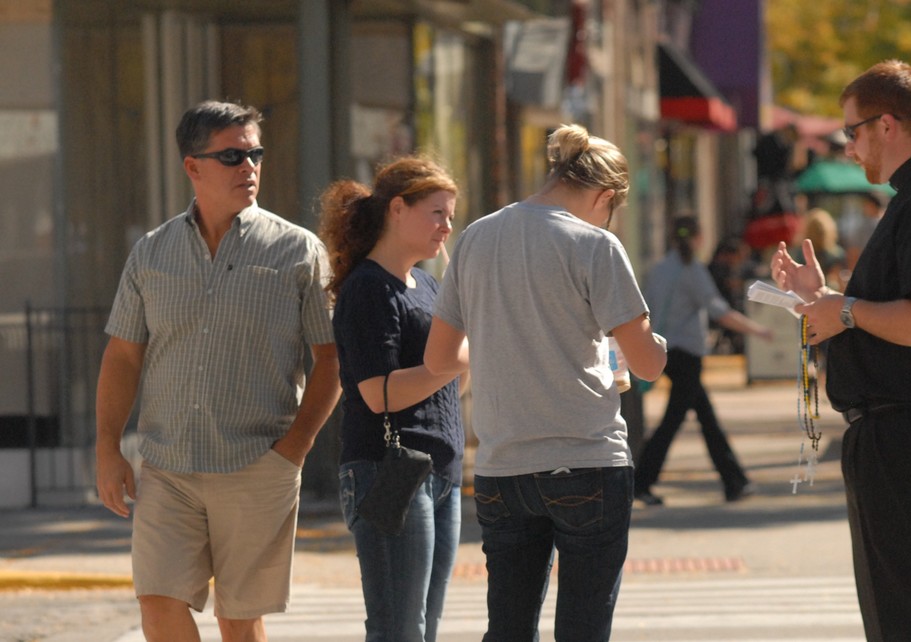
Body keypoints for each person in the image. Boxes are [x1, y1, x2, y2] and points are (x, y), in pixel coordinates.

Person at [94, 100, 342, 642]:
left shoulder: (298, 250)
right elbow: (122, 356)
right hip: (167, 465)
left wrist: (294, 448)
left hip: (257, 463)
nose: (248, 166)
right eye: (232, 155)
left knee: (238, 618)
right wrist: (108, 447)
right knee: (157, 600)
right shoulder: (151, 253)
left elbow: (331, 358)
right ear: (193, 167)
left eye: (254, 153)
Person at [771, 61, 911, 641]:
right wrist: (823, 299)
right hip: (902, 435)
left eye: (852, 131)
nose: (849, 148)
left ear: (887, 124)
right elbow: (902, 313)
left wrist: (843, 309)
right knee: (905, 616)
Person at [423, 123, 667, 641]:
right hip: (586, 458)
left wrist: (503, 346)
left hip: (501, 464)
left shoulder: (475, 237)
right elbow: (646, 364)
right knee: (584, 626)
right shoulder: (595, 245)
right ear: (605, 196)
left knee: (508, 628)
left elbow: (439, 355)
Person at [317, 156, 466, 642]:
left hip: (440, 469)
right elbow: (377, 394)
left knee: (425, 627)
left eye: (450, 214)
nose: (447, 227)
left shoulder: (428, 285)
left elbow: (447, 385)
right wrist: (454, 362)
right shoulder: (367, 288)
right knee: (398, 628)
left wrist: (454, 365)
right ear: (397, 210)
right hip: (386, 468)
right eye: (437, 213)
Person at [634, 216, 773, 506]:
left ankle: (734, 481)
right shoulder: (692, 269)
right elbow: (718, 310)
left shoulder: (661, 268)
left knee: (703, 418)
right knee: (676, 422)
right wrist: (757, 330)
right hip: (686, 353)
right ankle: (640, 482)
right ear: (698, 238)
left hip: (666, 350)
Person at [791, 208, 847, 291]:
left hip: (805, 295)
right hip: (827, 296)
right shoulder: (836, 254)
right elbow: (841, 285)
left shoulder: (799, 253)